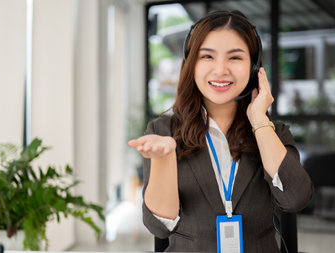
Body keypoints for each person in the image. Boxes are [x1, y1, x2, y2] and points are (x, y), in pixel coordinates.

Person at [128, 10, 313, 252]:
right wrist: (164, 159)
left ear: (254, 66)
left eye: (235, 58)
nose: (220, 70)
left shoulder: (272, 133)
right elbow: (159, 227)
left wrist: (259, 121)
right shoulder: (163, 131)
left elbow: (296, 198)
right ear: (191, 63)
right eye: (207, 57)